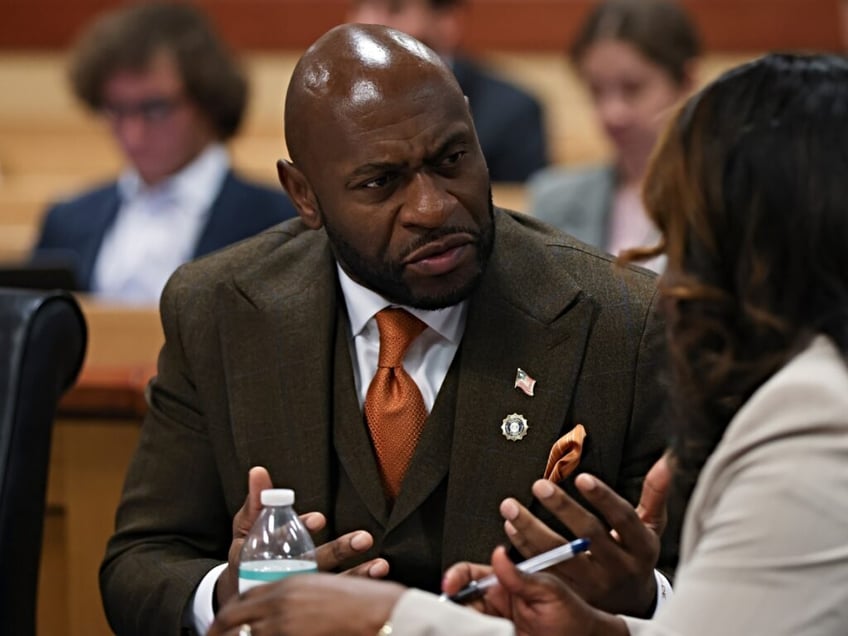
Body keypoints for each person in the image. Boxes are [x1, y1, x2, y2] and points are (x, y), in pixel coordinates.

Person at [100, 23, 671, 635]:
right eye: (380, 183)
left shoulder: (623, 318)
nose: (433, 208)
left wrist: (640, 599)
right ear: (304, 195)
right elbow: (139, 565)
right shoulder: (217, 308)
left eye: (451, 160)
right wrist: (230, 593)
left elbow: (724, 592)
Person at [335, 51, 848, 636]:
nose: (665, 264)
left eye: (684, 225)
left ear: (754, 237)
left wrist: (390, 617)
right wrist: (606, 628)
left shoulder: (814, 411)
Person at [32, 2, 296, 304]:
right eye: (117, 110)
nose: (133, 134)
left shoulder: (280, 222)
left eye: (155, 108)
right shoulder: (67, 220)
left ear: (207, 100)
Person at [528, 0, 699, 271]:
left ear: (686, 81)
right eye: (596, 90)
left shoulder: (726, 197)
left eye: (633, 88)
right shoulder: (555, 198)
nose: (611, 113)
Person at [348, 0, 549, 183]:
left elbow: (518, 215)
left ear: (447, 22)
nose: (367, 23)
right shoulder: (332, 105)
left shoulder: (512, 111)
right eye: (360, 6)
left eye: (395, 9)